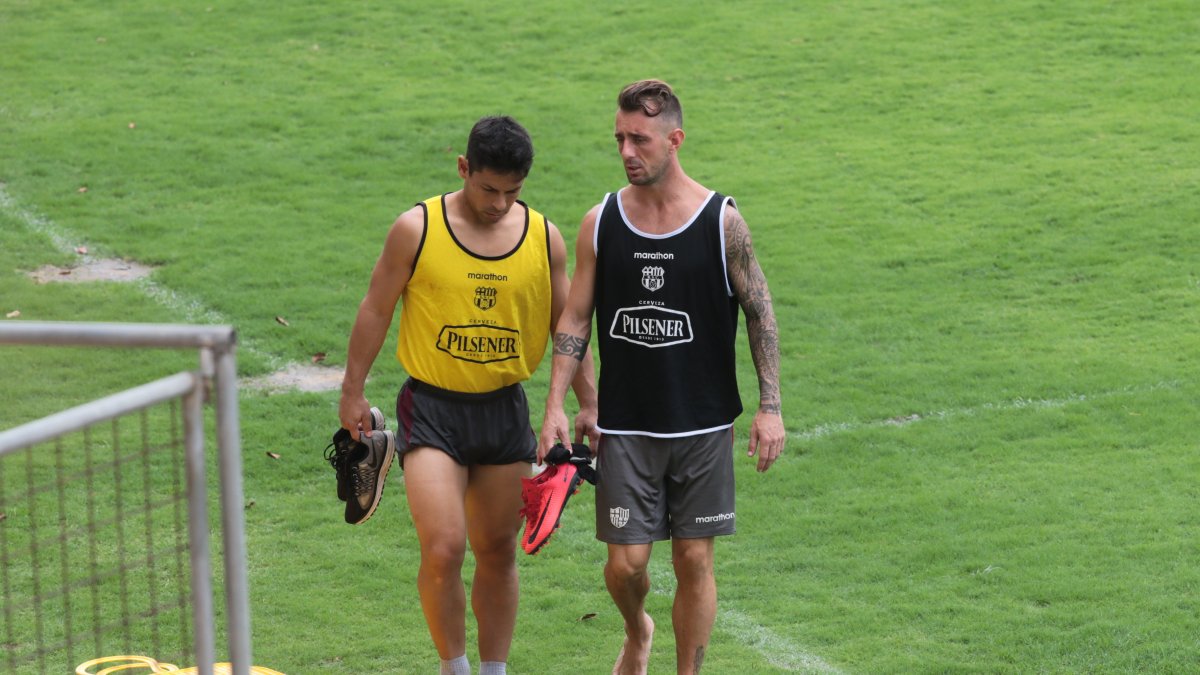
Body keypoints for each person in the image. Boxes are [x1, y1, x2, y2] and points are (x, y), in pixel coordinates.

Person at [538, 80, 785, 675]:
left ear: (674, 140)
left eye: (639, 139)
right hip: (626, 426)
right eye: (619, 138)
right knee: (626, 566)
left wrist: (769, 405)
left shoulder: (721, 220)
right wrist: (555, 405)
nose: (627, 150)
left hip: (701, 426)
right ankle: (637, 629)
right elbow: (575, 317)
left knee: (695, 560)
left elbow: (760, 310)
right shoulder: (601, 221)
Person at [338, 115, 597, 675]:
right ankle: (453, 668)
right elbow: (377, 308)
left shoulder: (542, 237)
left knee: (498, 553)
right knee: (445, 548)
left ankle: (493, 671)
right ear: (463, 168)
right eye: (488, 188)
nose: (500, 203)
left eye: (513, 192)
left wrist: (590, 405)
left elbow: (568, 325)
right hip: (431, 410)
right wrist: (351, 392)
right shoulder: (417, 228)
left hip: (504, 411)